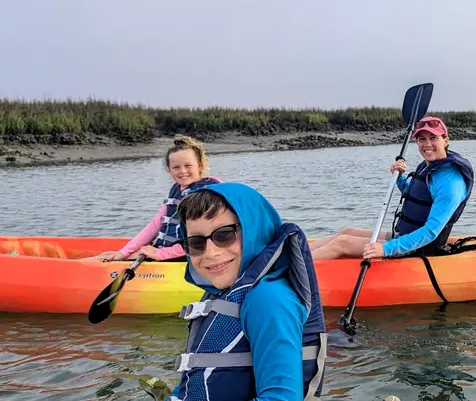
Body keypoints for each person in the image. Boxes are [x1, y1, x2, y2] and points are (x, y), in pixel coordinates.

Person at [169, 182, 327, 401]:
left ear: (255, 230)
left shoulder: (268, 300)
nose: (211, 253)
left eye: (224, 235)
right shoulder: (222, 292)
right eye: (196, 243)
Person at [309, 116, 474, 260]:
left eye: (433, 137)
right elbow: (417, 196)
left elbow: (431, 232)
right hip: (405, 236)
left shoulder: (451, 182)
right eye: (422, 139)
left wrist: (386, 249)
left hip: (421, 247)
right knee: (346, 231)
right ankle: (296, 254)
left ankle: (292, 270)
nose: (427, 144)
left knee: (342, 243)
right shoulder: (429, 165)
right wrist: (400, 178)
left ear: (446, 140)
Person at [84, 135, 222, 262]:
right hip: (165, 250)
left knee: (109, 260)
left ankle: (67, 273)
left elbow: (203, 237)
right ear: (168, 169)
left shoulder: (207, 192)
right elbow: (155, 225)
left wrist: (160, 254)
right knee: (109, 256)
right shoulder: (176, 190)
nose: (182, 171)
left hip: (188, 256)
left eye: (188, 165)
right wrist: (124, 252)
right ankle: (68, 268)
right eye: (176, 167)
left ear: (200, 165)